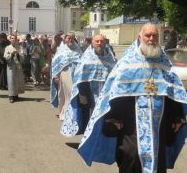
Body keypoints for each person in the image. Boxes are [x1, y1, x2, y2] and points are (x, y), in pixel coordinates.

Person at [78, 23, 187, 173]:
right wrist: (113, 117)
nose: (151, 39)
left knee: (157, 159)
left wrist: (177, 116)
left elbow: (172, 91)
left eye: (155, 35)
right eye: (147, 35)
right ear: (140, 37)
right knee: (131, 156)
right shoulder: (127, 63)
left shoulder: (164, 63)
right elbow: (114, 92)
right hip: (131, 124)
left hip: (159, 125)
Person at [61, 34, 117, 136]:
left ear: (105, 43)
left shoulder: (111, 59)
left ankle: (100, 139)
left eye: (102, 41)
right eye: (97, 41)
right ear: (92, 43)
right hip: (89, 95)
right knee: (89, 119)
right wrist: (82, 95)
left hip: (106, 95)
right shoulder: (86, 59)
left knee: (104, 118)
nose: (99, 43)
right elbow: (80, 78)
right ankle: (88, 140)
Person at [51, 32, 82, 120]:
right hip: (65, 73)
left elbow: (82, 60)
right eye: (69, 38)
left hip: (76, 74)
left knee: (72, 93)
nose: (70, 40)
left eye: (72, 38)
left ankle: (71, 113)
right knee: (65, 93)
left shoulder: (77, 49)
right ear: (65, 39)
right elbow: (56, 63)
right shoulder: (61, 50)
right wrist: (56, 76)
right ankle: (64, 113)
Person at [4, 34, 25, 103]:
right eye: (12, 38)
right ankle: (11, 96)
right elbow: (5, 56)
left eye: (15, 39)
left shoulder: (19, 47)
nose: (13, 40)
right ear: (10, 39)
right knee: (11, 81)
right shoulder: (7, 47)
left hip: (18, 66)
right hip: (11, 66)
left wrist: (18, 54)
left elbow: (23, 57)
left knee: (17, 80)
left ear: (16, 40)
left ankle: (15, 95)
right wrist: (12, 54)